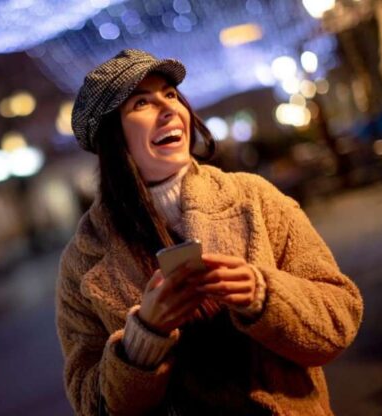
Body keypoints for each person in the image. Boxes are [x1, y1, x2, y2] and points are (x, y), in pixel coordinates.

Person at [55, 49, 364, 415]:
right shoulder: (83, 260)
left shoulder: (254, 197)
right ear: (111, 136)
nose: (169, 109)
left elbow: (339, 320)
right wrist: (143, 338)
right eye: (141, 102)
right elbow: (92, 404)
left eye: (170, 95)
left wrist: (262, 294)